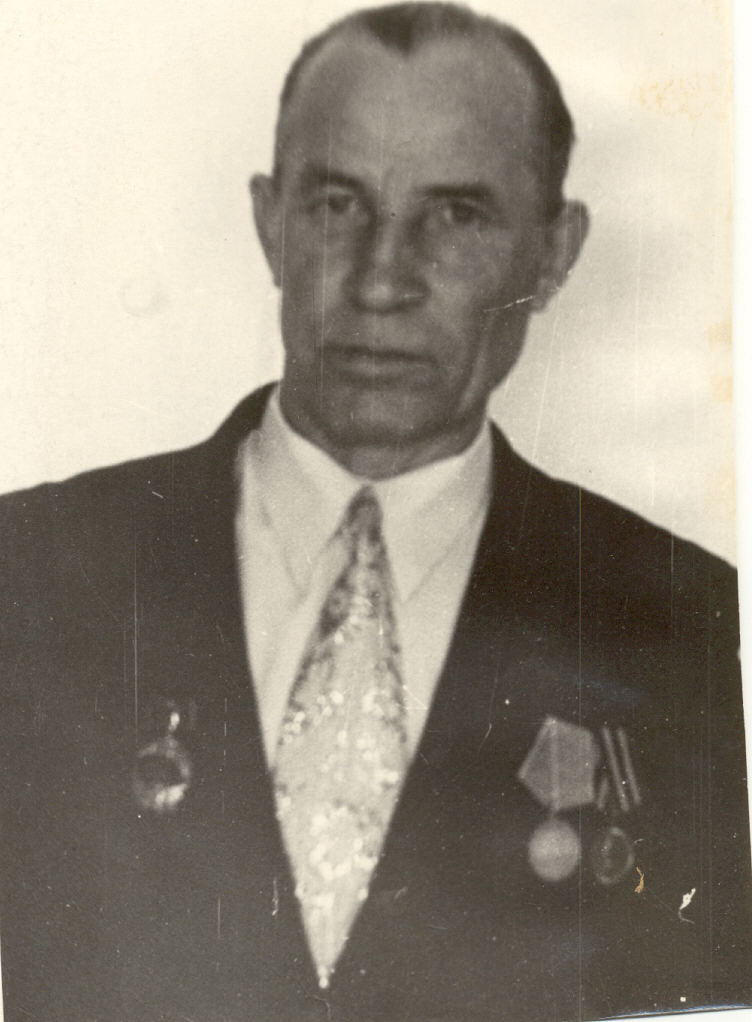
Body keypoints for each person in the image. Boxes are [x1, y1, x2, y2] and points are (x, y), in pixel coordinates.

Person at [0, 4, 750, 1021]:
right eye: (336, 204)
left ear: (552, 255)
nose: (381, 280)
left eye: (457, 215)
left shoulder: (679, 621)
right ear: (268, 223)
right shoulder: (31, 573)